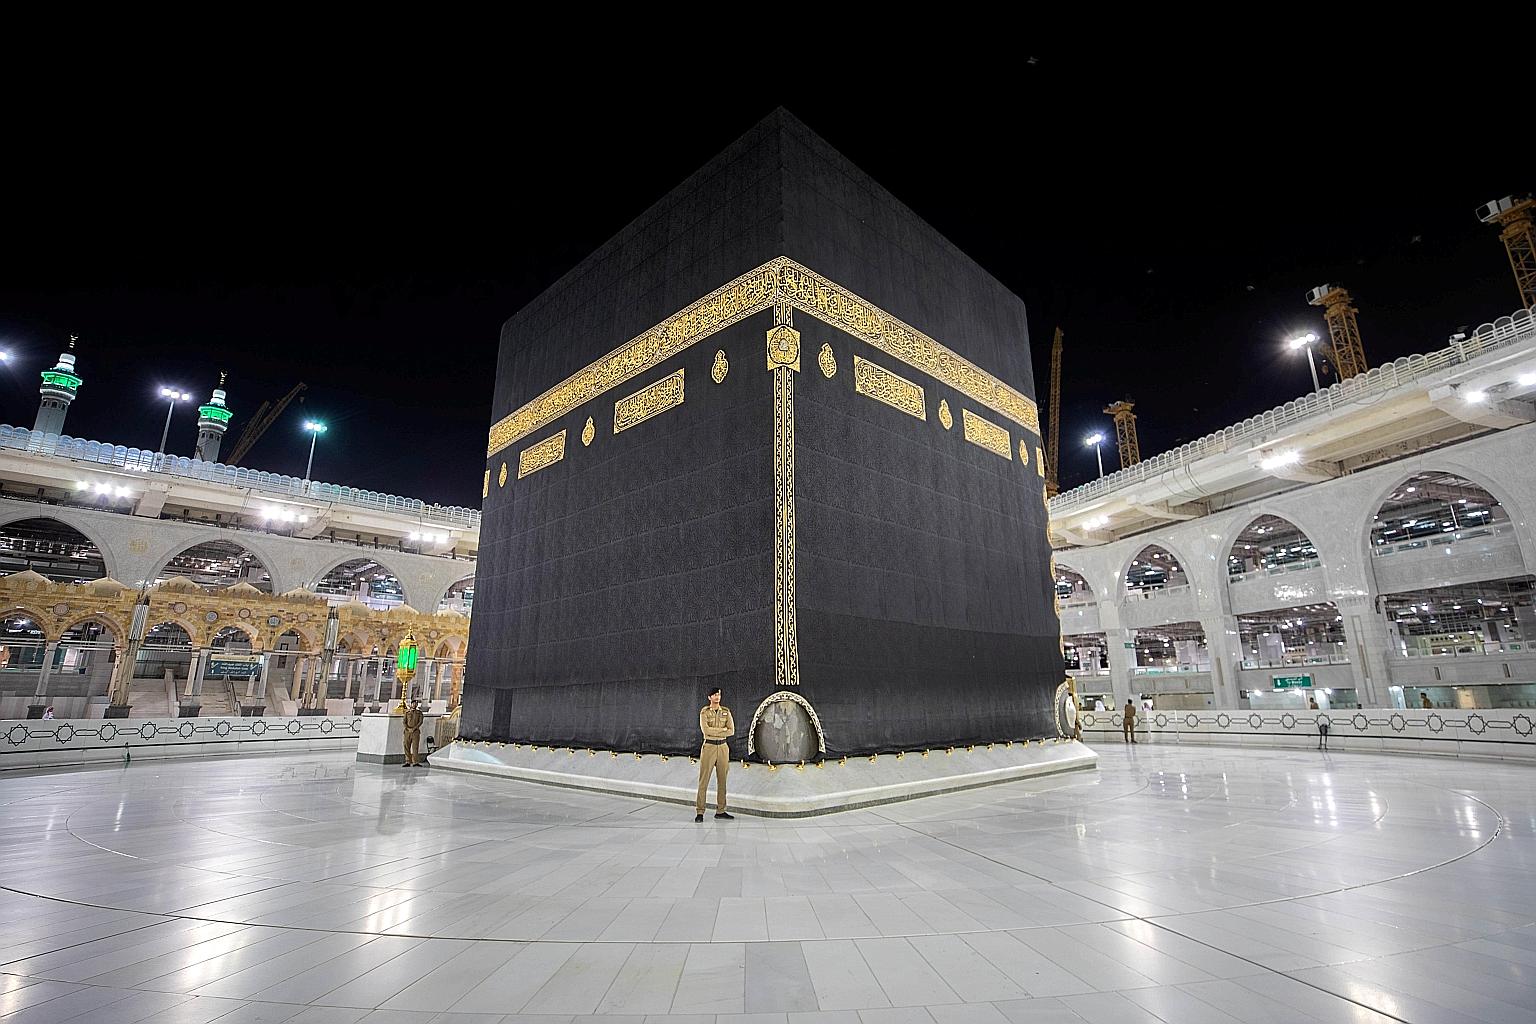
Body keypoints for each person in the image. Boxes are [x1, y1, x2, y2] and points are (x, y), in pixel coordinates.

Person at [696, 686, 734, 822]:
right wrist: (722, 730)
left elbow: (731, 731)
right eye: (714, 695)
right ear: (709, 697)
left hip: (723, 747)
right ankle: (700, 812)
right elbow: (706, 731)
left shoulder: (726, 712)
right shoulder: (704, 712)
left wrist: (717, 731)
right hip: (709, 747)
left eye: (719, 694)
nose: (717, 697)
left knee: (722, 781)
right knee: (704, 780)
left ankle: (721, 810)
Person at [402, 699, 425, 768]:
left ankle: (415, 762)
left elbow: (420, 722)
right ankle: (407, 761)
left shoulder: (419, 713)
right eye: (414, 703)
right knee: (406, 746)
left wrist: (414, 728)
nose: (415, 705)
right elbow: (404, 722)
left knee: (415, 747)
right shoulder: (407, 712)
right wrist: (408, 728)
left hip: (415, 732)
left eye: (416, 704)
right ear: (411, 704)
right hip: (407, 732)